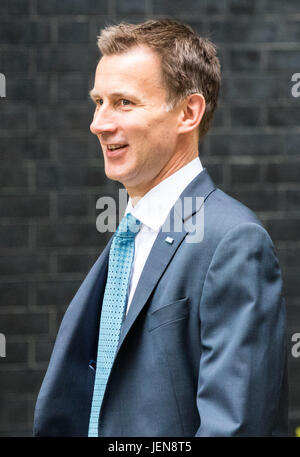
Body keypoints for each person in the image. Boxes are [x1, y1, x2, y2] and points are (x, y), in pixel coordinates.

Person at [33, 18, 288, 437]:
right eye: (98, 101)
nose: (99, 123)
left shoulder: (234, 241)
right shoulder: (129, 234)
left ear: (188, 112)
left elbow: (235, 428)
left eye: (124, 103)